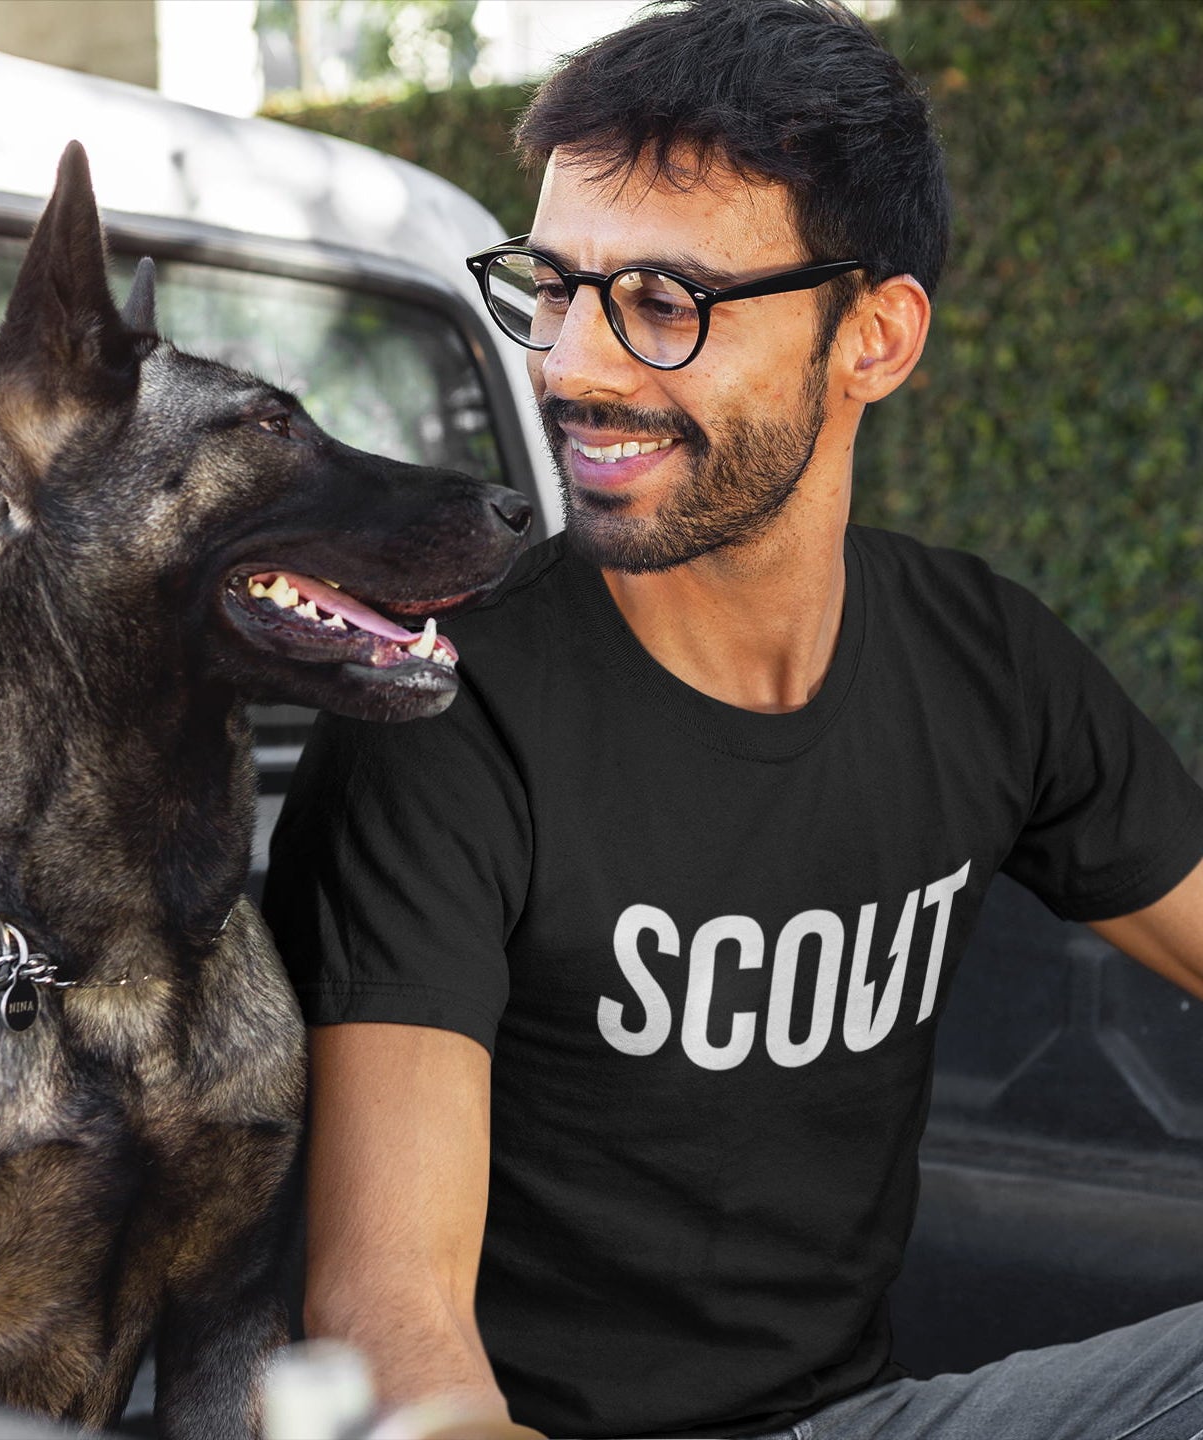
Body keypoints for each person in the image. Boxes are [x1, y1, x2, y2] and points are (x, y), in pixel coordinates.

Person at [261, 3, 1203, 1437]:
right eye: (555, 288)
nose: (574, 365)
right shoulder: (450, 711)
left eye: (662, 302)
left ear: (873, 339)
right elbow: (391, 1330)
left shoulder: (985, 662)